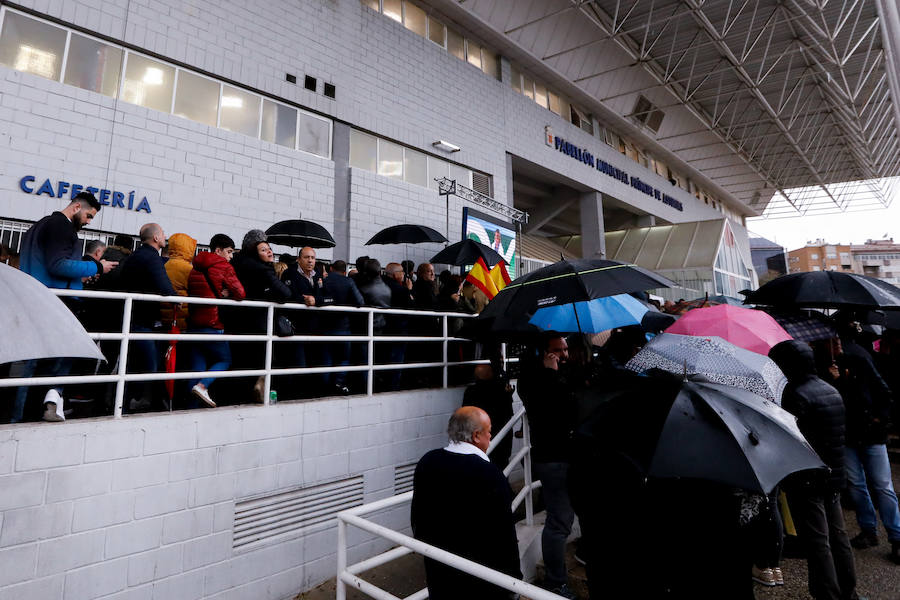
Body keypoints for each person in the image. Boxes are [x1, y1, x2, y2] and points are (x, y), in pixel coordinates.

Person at [769, 340, 861, 599]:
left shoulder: (795, 394)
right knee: (838, 536)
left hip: (807, 477)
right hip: (833, 473)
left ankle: (827, 593)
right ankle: (848, 590)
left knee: (818, 541)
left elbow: (790, 438)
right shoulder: (830, 389)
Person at [17, 191, 117, 422]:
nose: (89, 221)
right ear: (76, 208)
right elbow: (58, 265)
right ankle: (47, 403)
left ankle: (22, 415)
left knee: (33, 364)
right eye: (88, 216)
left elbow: (46, 264)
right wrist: (97, 267)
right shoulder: (62, 227)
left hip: (35, 297)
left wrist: (78, 275)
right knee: (64, 355)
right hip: (54, 303)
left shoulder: (38, 226)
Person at [411, 406, 522, 599]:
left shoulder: (427, 462)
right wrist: (513, 581)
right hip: (481, 582)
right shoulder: (490, 475)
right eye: (489, 431)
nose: (490, 436)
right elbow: (504, 535)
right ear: (477, 436)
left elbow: (418, 521)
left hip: (438, 573)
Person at [517, 333, 577, 598]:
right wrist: (551, 374)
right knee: (559, 522)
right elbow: (553, 407)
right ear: (544, 353)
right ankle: (555, 582)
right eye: (557, 350)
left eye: (565, 349)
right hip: (553, 458)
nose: (564, 355)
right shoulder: (535, 380)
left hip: (566, 456)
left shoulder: (557, 374)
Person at [228, 230, 291, 402]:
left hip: (236, 321)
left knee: (241, 363)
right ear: (253, 249)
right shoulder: (262, 269)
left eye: (269, 248)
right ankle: (258, 390)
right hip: (257, 322)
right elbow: (285, 293)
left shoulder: (237, 262)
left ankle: (237, 397)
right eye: (263, 248)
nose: (269, 251)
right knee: (260, 359)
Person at [119, 223, 175, 411]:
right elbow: (165, 288)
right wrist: (178, 299)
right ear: (156, 238)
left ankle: (124, 402)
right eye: (163, 234)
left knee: (133, 363)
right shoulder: (152, 258)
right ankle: (138, 401)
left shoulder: (134, 256)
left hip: (131, 317)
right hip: (143, 321)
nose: (165, 236)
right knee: (149, 365)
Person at [186, 234, 245, 408]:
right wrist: (225, 293)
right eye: (228, 251)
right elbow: (240, 293)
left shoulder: (195, 266)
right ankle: (203, 386)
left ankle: (190, 408)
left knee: (198, 366)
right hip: (212, 322)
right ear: (218, 250)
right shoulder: (223, 266)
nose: (231, 256)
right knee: (225, 359)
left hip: (194, 323)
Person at [320, 260, 363, 395]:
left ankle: (324, 386)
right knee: (344, 357)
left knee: (326, 358)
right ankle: (339, 382)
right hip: (343, 327)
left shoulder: (324, 281)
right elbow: (359, 302)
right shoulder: (348, 282)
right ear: (345, 271)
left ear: (331, 268)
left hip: (325, 326)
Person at [462, 364, 515, 470]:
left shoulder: (470, 391)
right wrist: (509, 395)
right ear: (490, 375)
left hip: (478, 436)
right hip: (500, 436)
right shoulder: (499, 389)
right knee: (501, 467)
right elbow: (508, 412)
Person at [160, 233, 197, 331]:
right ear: (188, 248)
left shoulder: (165, 265)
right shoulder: (188, 269)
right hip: (182, 318)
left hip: (165, 317)